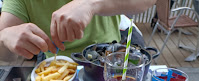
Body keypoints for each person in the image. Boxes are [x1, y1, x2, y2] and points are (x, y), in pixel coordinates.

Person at [0, 0, 156, 59]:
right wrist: (4, 37)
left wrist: (91, 3)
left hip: (109, 59)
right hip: (55, 65)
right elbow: (5, 55)